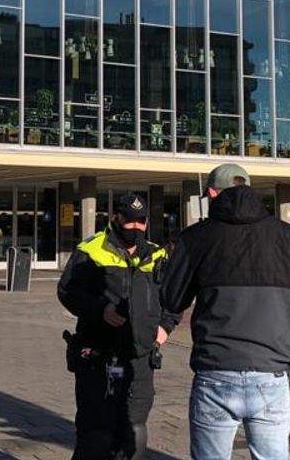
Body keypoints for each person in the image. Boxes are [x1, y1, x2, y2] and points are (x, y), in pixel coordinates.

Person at [161, 163, 290, 460]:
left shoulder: (196, 237)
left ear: (212, 194)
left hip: (216, 371)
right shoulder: (289, 238)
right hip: (271, 374)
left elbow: (171, 299)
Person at [58, 193, 180, 460]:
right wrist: (101, 310)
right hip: (98, 354)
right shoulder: (91, 249)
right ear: (116, 218)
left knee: (134, 430)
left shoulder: (156, 254)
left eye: (141, 221)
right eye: (130, 221)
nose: (136, 227)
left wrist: (165, 327)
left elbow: (174, 297)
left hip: (140, 356)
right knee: (96, 433)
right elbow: (68, 291)